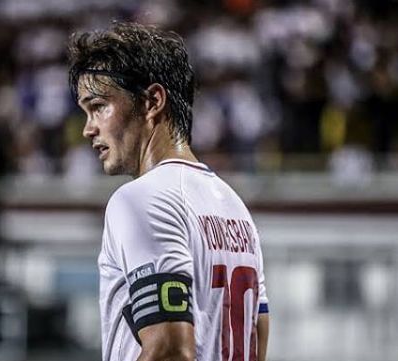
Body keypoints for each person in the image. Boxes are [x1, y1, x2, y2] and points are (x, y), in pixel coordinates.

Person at [68, 22, 269, 361]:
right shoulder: (235, 207)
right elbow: (257, 338)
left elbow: (170, 350)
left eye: (99, 106)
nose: (89, 128)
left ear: (152, 100)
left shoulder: (141, 199)